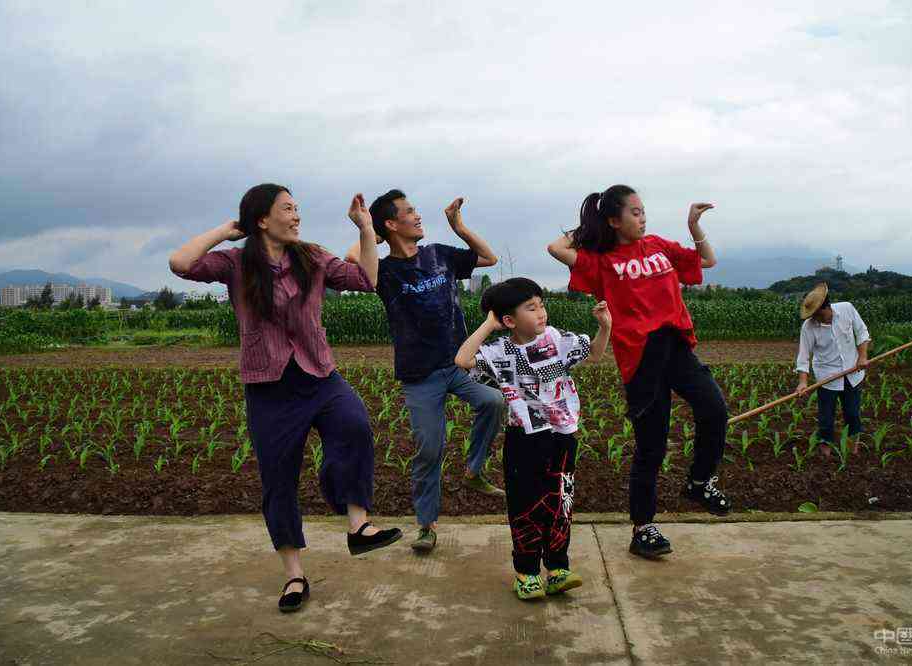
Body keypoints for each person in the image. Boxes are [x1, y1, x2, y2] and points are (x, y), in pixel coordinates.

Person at [169, 184, 401, 613]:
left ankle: (357, 524)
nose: (297, 216)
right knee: (278, 481)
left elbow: (366, 280)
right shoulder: (236, 263)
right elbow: (181, 263)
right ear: (262, 219)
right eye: (288, 209)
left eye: (298, 209)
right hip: (268, 386)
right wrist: (225, 230)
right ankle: (294, 574)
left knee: (353, 425)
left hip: (319, 373)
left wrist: (367, 228)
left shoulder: (311, 256)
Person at [546, 185, 731, 560]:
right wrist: (589, 224)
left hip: (676, 346)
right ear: (614, 220)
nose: (642, 217)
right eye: (633, 212)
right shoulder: (602, 262)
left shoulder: (661, 246)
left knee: (715, 410)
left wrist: (694, 226)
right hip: (640, 359)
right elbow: (556, 248)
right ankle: (643, 527)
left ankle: (699, 481)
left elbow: (707, 262)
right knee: (652, 446)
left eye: (643, 210)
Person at [345, 191, 505, 553]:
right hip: (420, 375)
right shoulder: (383, 272)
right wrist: (367, 228)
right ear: (391, 223)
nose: (418, 216)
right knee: (429, 448)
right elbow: (352, 258)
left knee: (493, 401)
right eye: (410, 212)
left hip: (458, 363)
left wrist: (458, 226)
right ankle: (426, 526)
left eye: (416, 210)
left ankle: (474, 471)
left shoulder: (439, 254)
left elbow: (489, 258)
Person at [455, 278, 611, 600]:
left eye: (541, 304)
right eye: (531, 307)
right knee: (525, 503)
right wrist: (489, 323)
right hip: (524, 437)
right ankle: (526, 572)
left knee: (560, 500)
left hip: (563, 434)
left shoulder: (556, 338)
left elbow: (594, 354)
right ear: (509, 320)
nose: (541, 312)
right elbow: (463, 360)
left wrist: (604, 327)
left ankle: (557, 568)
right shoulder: (499, 352)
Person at [795, 283, 871, 457]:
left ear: (826, 307)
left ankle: (853, 451)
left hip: (853, 373)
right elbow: (804, 355)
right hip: (826, 377)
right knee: (826, 418)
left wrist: (862, 357)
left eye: (817, 314)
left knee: (852, 414)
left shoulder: (847, 309)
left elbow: (862, 332)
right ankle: (825, 453)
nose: (814, 318)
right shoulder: (808, 327)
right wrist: (803, 382)